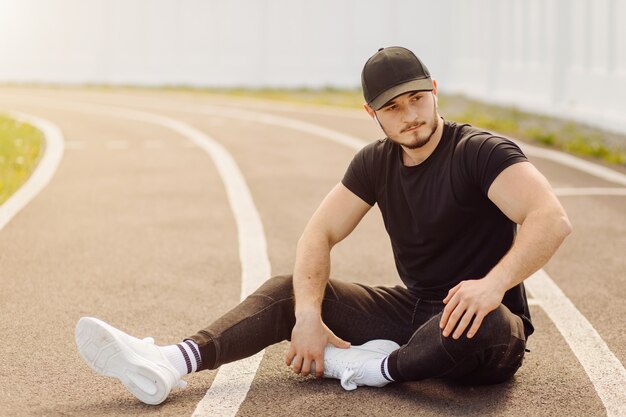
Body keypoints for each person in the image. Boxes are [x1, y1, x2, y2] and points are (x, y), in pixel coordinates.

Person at [75, 46, 572, 405]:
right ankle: (172, 360)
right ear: (371, 113)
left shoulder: (478, 152)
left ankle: (377, 369)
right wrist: (309, 315)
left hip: (485, 325)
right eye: (392, 108)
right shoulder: (375, 163)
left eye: (417, 99)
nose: (411, 116)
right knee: (288, 289)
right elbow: (319, 233)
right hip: (417, 309)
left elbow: (550, 217)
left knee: (481, 323)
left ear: (434, 91)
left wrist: (493, 285)